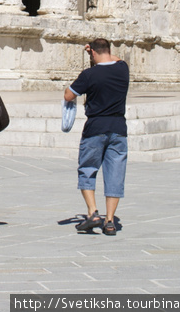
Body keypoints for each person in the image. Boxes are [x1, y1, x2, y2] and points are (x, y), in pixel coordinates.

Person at [64, 38, 129, 236]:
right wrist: (97, 52)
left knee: (87, 169)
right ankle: (110, 221)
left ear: (92, 53)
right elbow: (115, 59)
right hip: (118, 128)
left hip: (95, 128)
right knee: (115, 175)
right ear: (108, 50)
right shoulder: (123, 70)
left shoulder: (89, 75)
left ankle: (93, 212)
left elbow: (68, 95)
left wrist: (91, 56)